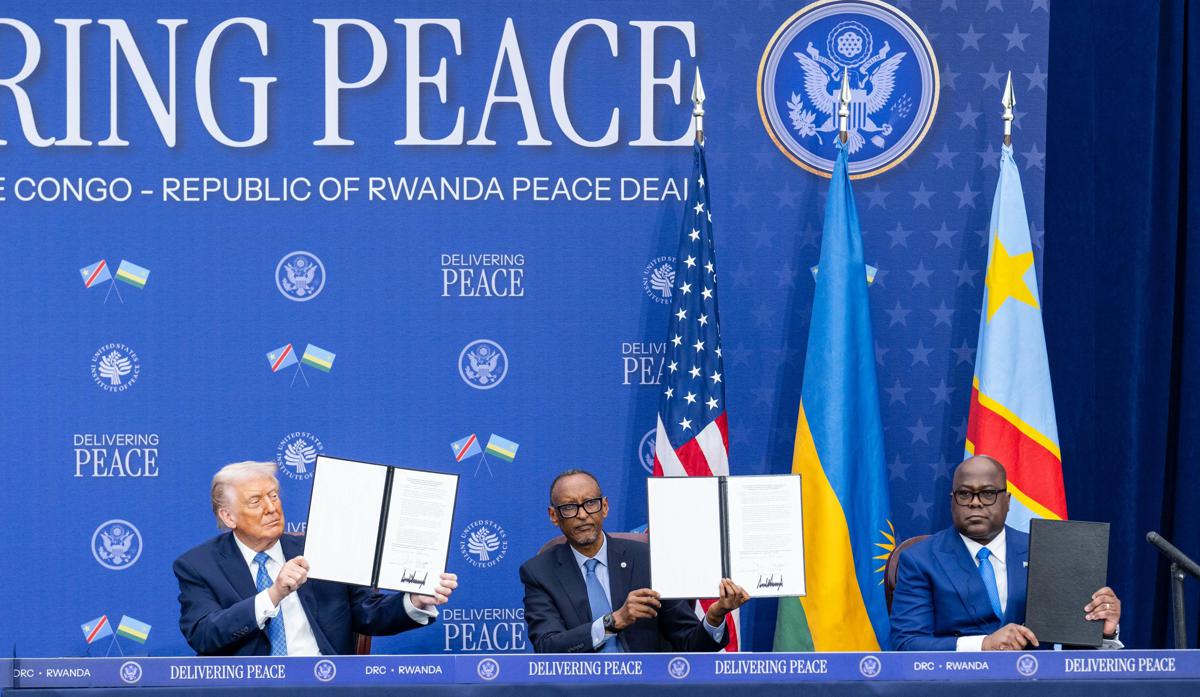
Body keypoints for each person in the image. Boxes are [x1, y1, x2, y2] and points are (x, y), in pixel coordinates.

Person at [174, 461, 457, 656]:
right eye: (256, 501)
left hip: (325, 684)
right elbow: (203, 634)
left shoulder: (323, 548)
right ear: (228, 516)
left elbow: (368, 613)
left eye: (274, 496)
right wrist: (273, 595)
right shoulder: (198, 566)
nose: (271, 508)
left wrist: (414, 600)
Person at [890, 455, 1122, 651]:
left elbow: (1074, 657)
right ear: (953, 501)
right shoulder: (919, 559)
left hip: (1033, 682)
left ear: (1007, 501)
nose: (975, 503)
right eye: (965, 494)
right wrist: (983, 644)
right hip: (956, 683)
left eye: (988, 493)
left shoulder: (1047, 552)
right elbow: (907, 644)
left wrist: (1103, 632)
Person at [520, 469, 749, 653]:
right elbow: (547, 646)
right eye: (569, 507)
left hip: (646, 686)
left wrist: (715, 615)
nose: (582, 515)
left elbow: (690, 643)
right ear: (554, 516)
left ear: (605, 507)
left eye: (590, 503)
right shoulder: (539, 572)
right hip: (581, 687)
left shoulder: (648, 560)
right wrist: (613, 621)